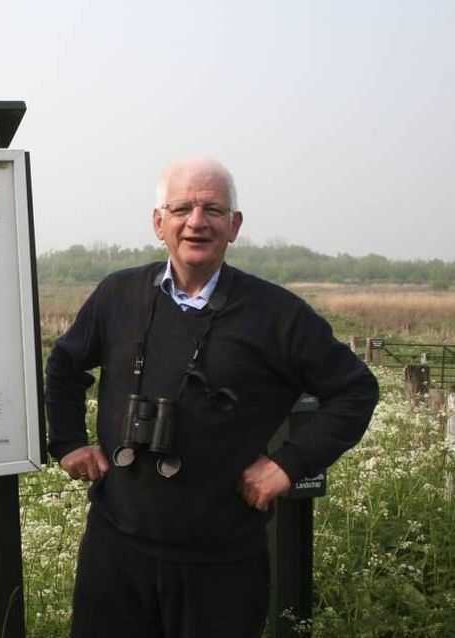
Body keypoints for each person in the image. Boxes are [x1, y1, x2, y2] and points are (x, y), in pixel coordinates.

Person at [45, 157, 379, 638]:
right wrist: (69, 442)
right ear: (159, 222)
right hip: (114, 552)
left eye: (213, 209)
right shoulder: (118, 295)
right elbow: (64, 365)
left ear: (234, 225)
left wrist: (289, 463)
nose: (196, 222)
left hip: (221, 565)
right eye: (181, 208)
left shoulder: (277, 315)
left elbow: (355, 389)